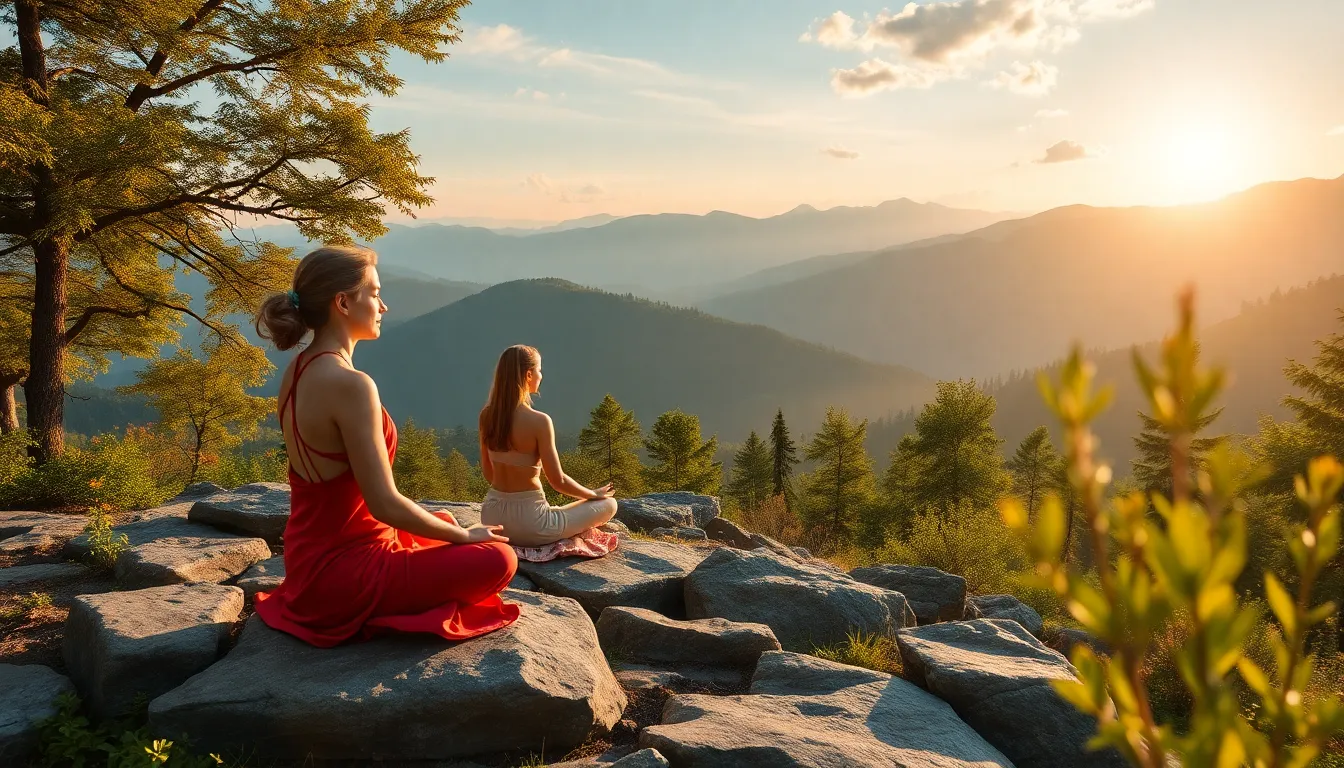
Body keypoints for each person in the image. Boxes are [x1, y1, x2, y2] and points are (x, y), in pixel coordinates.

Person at [252, 245, 518, 647]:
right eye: (375, 293)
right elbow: (385, 505)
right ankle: (374, 609)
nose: (384, 306)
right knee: (499, 558)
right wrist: (463, 538)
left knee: (444, 520)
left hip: (308, 562)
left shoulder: (298, 369)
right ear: (343, 303)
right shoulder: (351, 385)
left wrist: (453, 531)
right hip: (347, 574)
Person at [479, 345, 618, 547]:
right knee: (609, 504)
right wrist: (593, 494)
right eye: (539, 370)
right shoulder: (539, 421)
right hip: (532, 525)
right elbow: (558, 481)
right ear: (528, 375)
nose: (540, 375)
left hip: (492, 518)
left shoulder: (487, 416)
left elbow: (488, 472)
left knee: (558, 511)